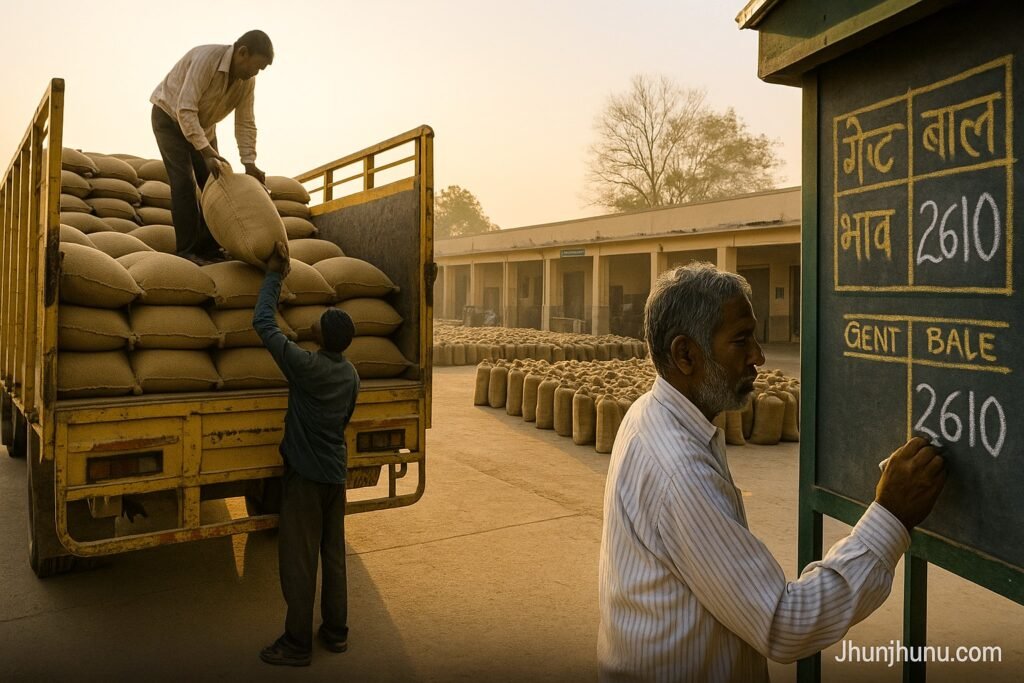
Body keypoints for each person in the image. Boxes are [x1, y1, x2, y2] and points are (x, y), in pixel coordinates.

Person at [597, 262, 947, 683]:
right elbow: (783, 625)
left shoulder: (650, 413)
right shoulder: (678, 470)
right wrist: (890, 516)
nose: (759, 357)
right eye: (741, 341)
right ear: (685, 354)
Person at [253, 242, 361, 667]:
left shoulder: (304, 366)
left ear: (319, 335)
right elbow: (346, 417)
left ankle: (296, 644)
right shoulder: (350, 374)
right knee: (334, 555)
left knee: (299, 561)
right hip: (336, 475)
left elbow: (263, 323)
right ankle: (336, 633)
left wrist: (274, 276)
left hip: (304, 477)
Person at [150, 30, 273, 265]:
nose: (255, 73)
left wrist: (249, 163)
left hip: (202, 127)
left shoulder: (247, 82)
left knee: (215, 183)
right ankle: (187, 250)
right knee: (184, 182)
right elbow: (185, 109)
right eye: (256, 67)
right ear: (242, 52)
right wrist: (207, 153)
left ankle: (209, 249)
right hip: (169, 118)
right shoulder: (206, 59)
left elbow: (245, 122)